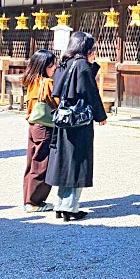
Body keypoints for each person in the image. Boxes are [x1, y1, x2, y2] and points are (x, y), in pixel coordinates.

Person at [48, 32, 107, 221]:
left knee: (65, 161)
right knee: (78, 161)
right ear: (86, 48)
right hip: (79, 120)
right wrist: (101, 115)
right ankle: (70, 208)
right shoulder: (81, 65)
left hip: (64, 118)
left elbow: (59, 88)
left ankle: (60, 205)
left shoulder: (64, 63)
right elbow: (90, 92)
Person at [22, 50, 57, 213]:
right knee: (42, 164)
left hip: (33, 124)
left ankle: (28, 199)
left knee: (32, 162)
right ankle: (35, 201)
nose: (55, 67)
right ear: (45, 66)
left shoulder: (31, 81)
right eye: (52, 65)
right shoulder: (47, 83)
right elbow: (56, 103)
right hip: (45, 125)